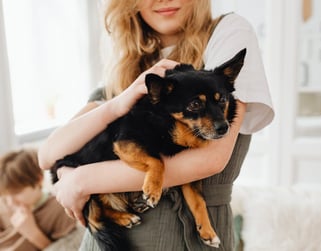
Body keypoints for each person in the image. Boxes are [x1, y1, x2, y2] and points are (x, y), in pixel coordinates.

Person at [38, 0, 274, 250]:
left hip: (186, 237)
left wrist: (79, 180)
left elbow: (209, 160)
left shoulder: (229, 33)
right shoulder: (125, 67)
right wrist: (118, 104)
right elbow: (47, 155)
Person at [0, 148, 77, 251]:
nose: (10, 202)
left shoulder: (60, 209)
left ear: (38, 179)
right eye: (5, 195)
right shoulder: (4, 206)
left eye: (16, 193)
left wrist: (33, 233)